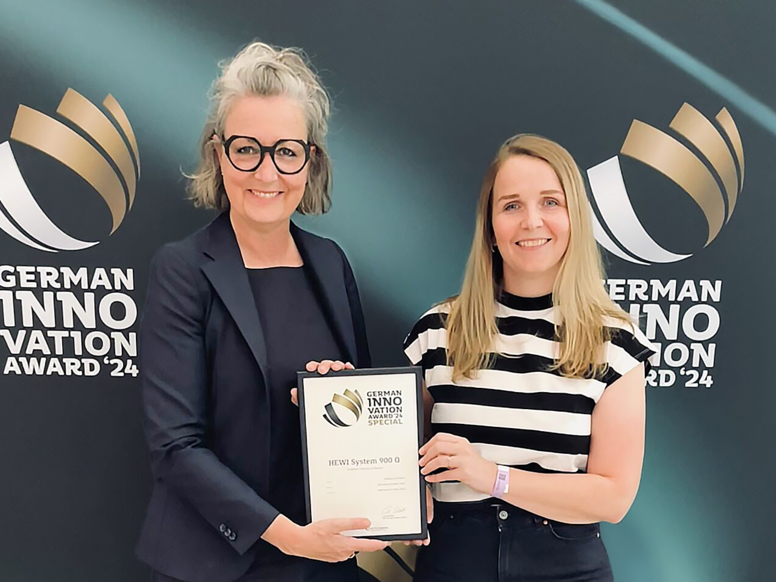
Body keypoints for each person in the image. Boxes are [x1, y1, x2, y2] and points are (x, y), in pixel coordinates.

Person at [135, 42, 388, 582]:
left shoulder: (331, 263)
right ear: (218, 153)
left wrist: (336, 397)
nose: (267, 173)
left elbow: (362, 417)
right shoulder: (182, 270)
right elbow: (176, 448)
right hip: (214, 564)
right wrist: (290, 537)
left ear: (310, 161)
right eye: (247, 149)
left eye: (286, 152)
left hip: (322, 564)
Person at [403, 134, 655, 581]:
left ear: (575, 218)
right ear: (490, 226)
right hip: (453, 562)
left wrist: (492, 476)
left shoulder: (614, 341)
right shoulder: (437, 331)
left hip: (566, 566)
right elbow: (402, 455)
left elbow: (614, 498)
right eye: (512, 205)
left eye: (550, 202)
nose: (531, 221)